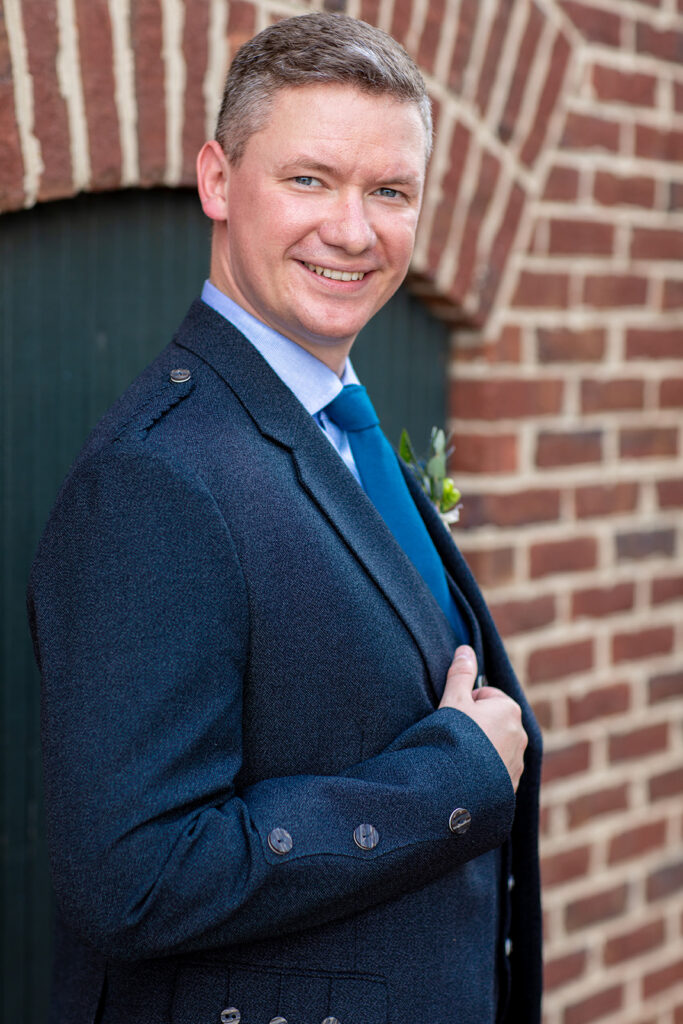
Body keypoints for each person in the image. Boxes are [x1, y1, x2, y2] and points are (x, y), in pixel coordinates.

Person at [28, 12, 542, 1024]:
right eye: (309, 179)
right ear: (217, 181)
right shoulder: (155, 477)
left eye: (388, 191)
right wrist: (456, 775)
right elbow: (131, 875)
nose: (352, 230)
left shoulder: (332, 420)